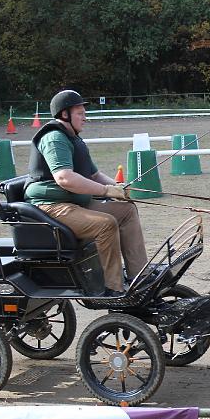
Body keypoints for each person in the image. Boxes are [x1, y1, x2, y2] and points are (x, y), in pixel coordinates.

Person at [24, 89, 148, 296]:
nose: (85, 117)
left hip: (75, 203)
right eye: (80, 113)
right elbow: (64, 178)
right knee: (105, 224)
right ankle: (113, 289)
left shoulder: (74, 139)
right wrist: (106, 190)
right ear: (65, 114)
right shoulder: (54, 138)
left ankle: (139, 276)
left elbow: (95, 175)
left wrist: (122, 189)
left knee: (126, 210)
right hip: (51, 207)